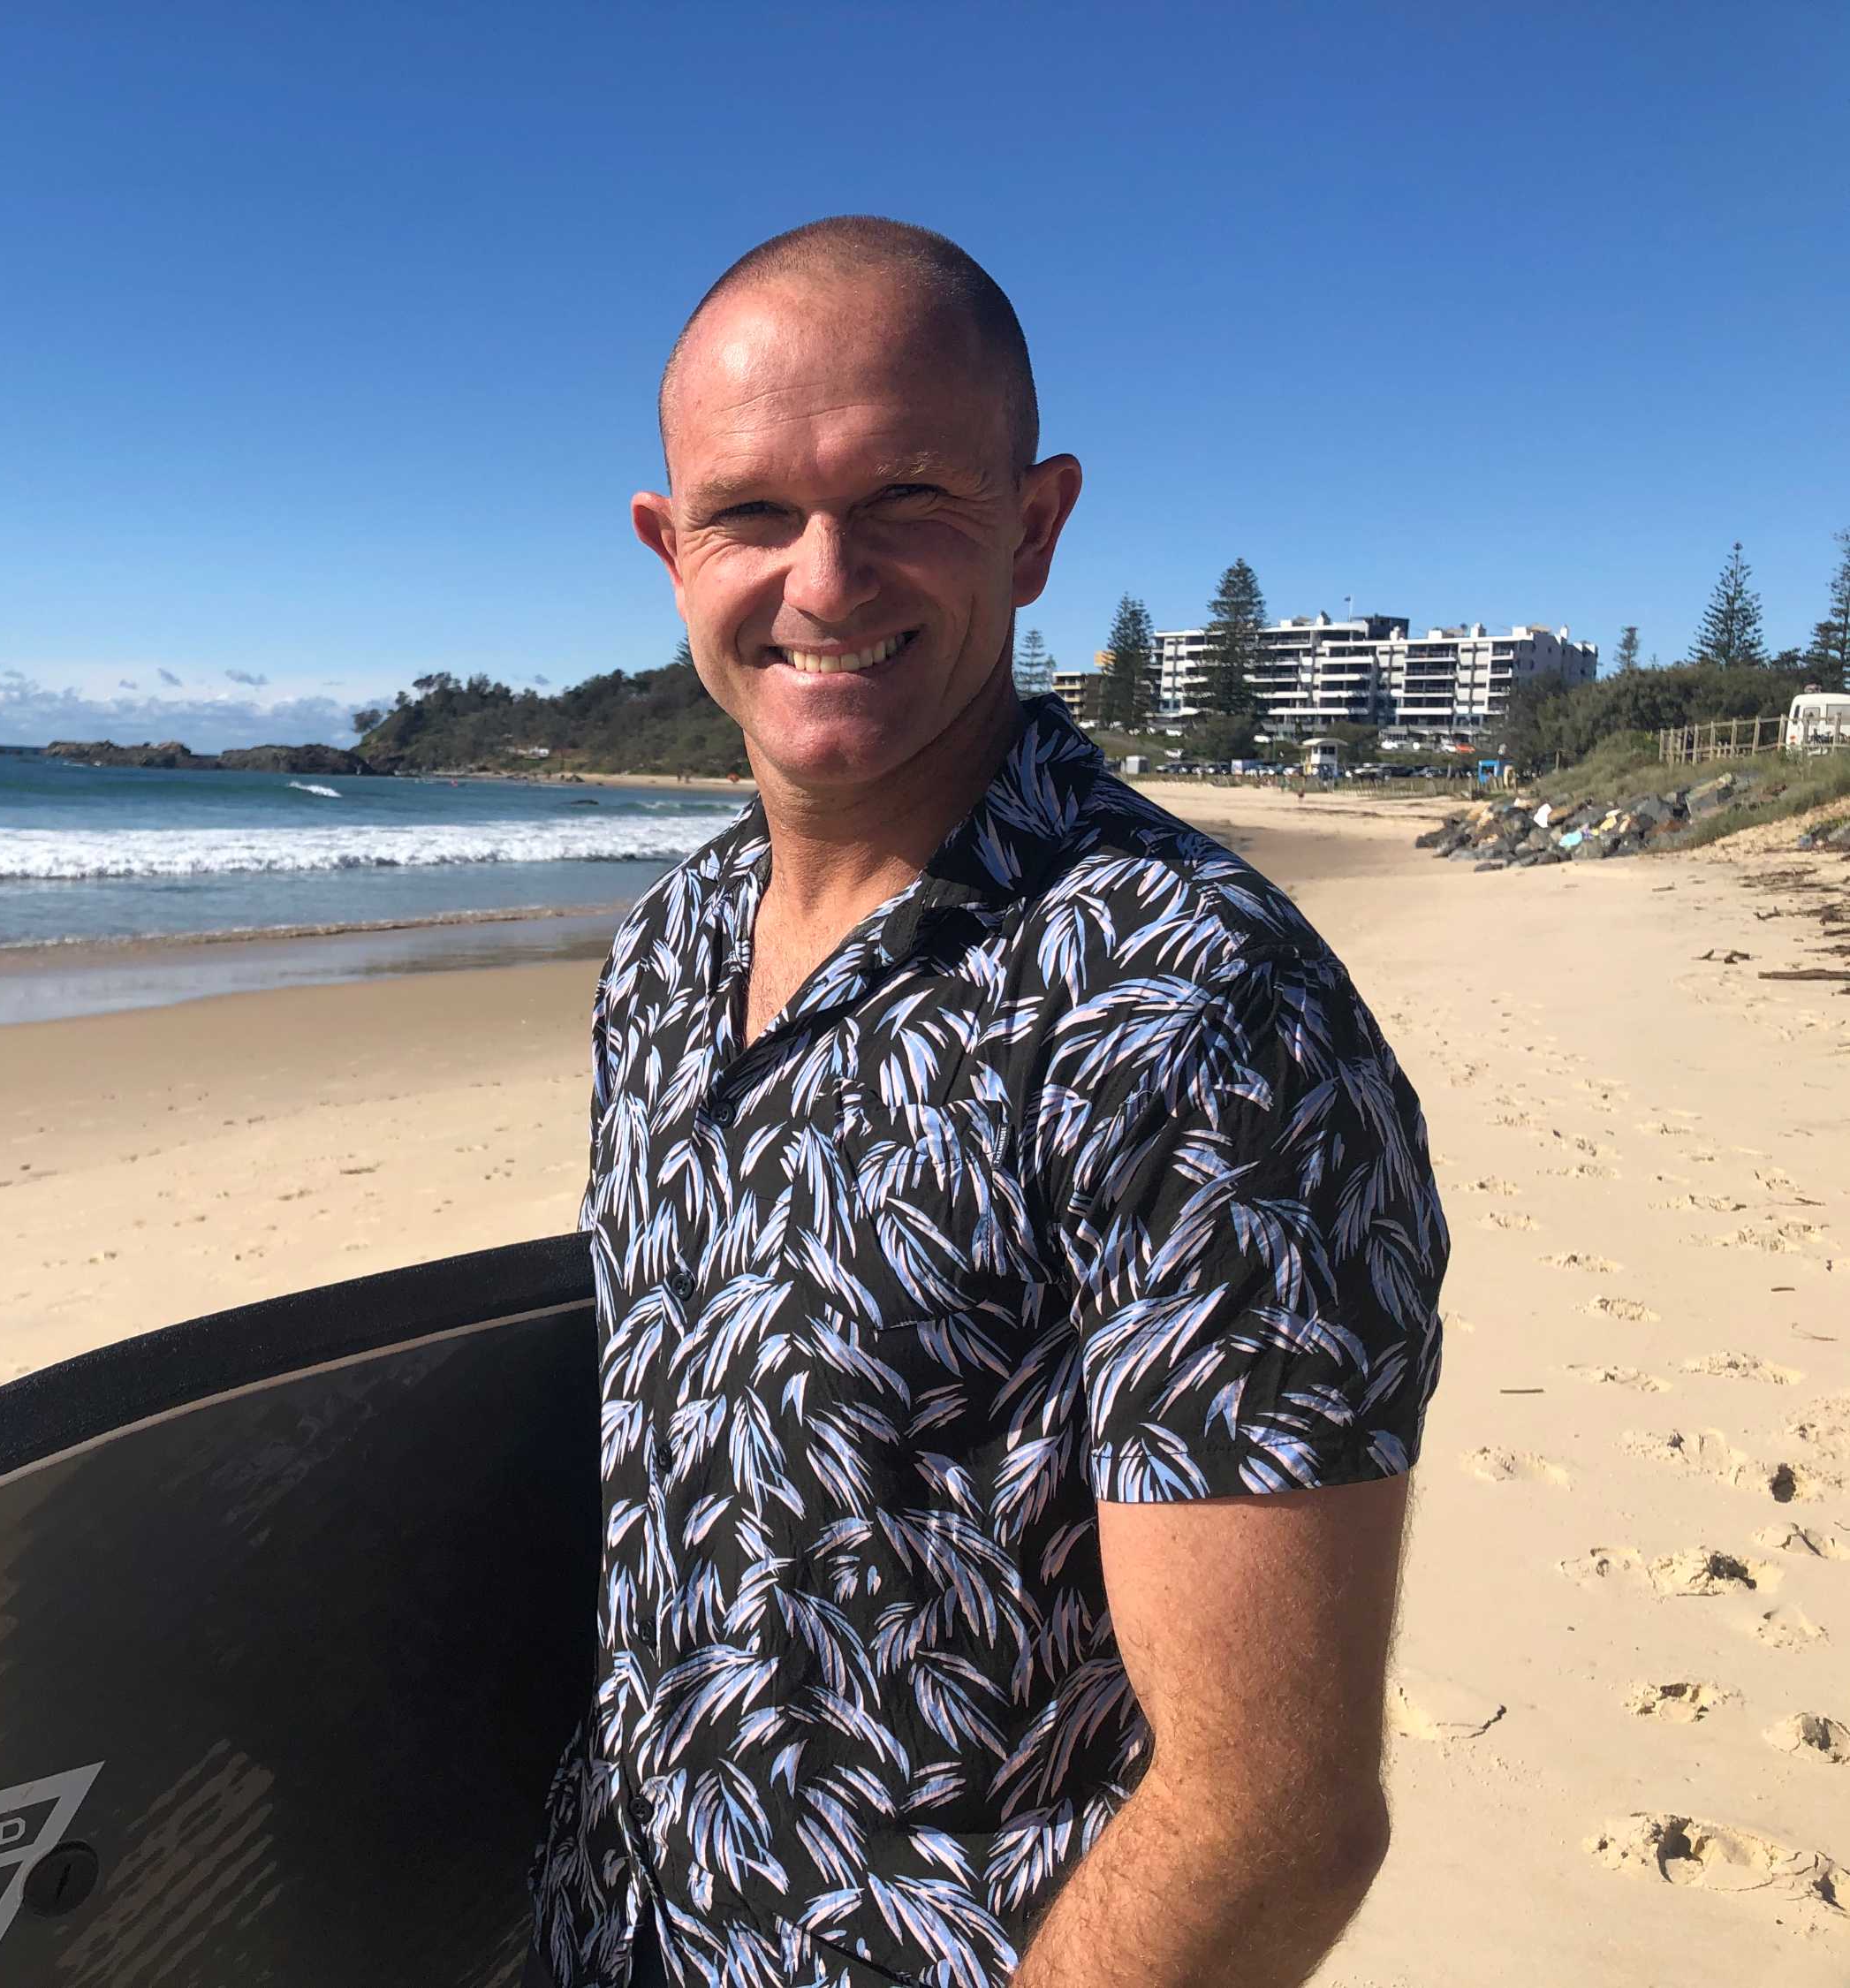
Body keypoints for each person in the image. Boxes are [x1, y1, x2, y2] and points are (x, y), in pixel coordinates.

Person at [527, 218, 1446, 1988]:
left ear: (1033, 532)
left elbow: (1269, 1819)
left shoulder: (1193, 1014)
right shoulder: (663, 956)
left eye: (907, 498)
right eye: (750, 514)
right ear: (667, 550)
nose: (822, 580)